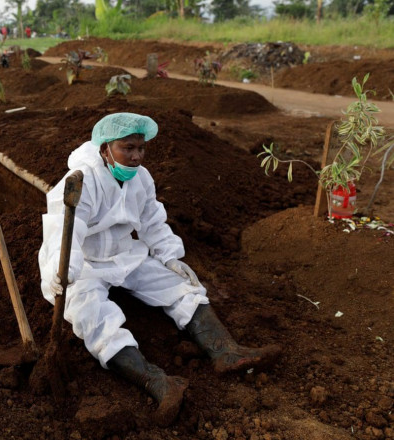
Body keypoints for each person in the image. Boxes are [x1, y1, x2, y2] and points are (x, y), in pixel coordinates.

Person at [38, 112, 281, 426]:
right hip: (83, 263)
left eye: (141, 148)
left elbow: (153, 220)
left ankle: (225, 350)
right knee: (92, 315)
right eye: (129, 147)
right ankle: (156, 381)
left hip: (125, 254)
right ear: (105, 148)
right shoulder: (81, 180)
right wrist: (64, 272)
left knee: (180, 285)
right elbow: (64, 229)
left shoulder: (141, 177)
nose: (137, 155)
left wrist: (169, 257)